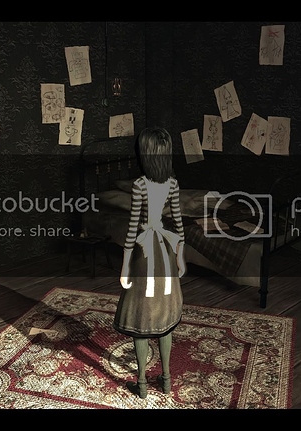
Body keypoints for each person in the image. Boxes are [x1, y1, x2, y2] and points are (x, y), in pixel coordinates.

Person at [114, 126, 186, 399]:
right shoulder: (173, 184)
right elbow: (178, 224)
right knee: (164, 315)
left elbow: (132, 229)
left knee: (142, 318)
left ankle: (142, 383)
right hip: (165, 251)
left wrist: (124, 266)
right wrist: (180, 256)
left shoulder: (140, 185)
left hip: (144, 253)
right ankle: (166, 379)